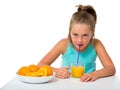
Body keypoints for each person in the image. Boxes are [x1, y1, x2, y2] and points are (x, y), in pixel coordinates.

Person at [38, 4, 116, 82]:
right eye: (75, 34)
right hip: (66, 84)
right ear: (70, 32)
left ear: (92, 33)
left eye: (85, 35)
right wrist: (56, 71)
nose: (79, 40)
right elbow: (41, 64)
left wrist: (95, 74)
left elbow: (111, 68)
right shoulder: (64, 44)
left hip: (88, 85)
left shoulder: (96, 44)